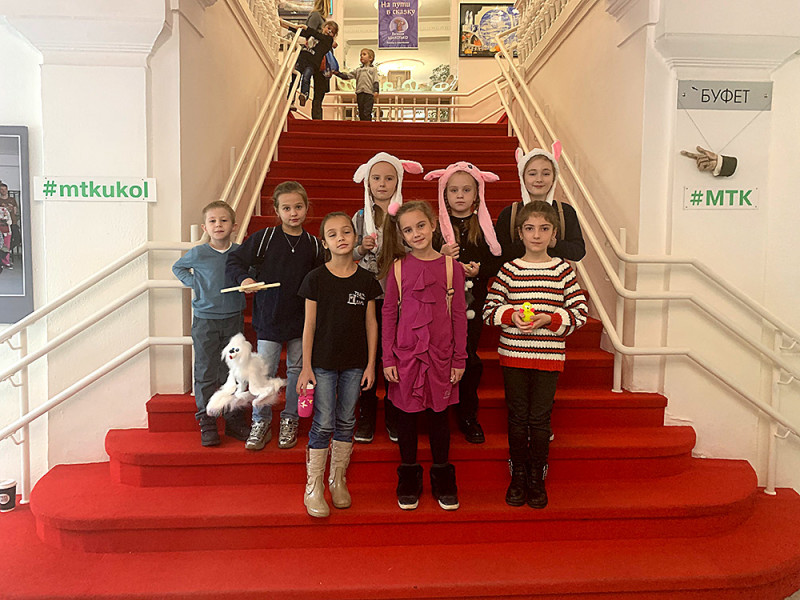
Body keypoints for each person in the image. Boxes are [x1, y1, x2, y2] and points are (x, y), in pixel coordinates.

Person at [483, 200, 588, 509]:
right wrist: (511, 315)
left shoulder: (563, 270)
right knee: (517, 417)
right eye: (530, 229)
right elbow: (489, 310)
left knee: (540, 419)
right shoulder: (509, 269)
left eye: (544, 229)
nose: (537, 235)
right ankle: (518, 475)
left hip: (548, 357)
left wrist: (550, 319)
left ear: (554, 234)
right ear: (520, 233)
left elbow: (580, 312)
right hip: (513, 355)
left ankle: (536, 476)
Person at [381, 201, 467, 511]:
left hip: (441, 356)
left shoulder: (452, 268)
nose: (415, 233)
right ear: (402, 235)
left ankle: (442, 475)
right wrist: (388, 358)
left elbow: (459, 315)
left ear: (432, 224)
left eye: (420, 225)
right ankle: (408, 475)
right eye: (408, 230)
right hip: (406, 357)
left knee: (439, 417)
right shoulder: (398, 268)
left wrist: (459, 358)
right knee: (406, 417)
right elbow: (389, 313)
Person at [226, 181, 324, 451]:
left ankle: (290, 419)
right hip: (269, 319)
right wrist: (244, 278)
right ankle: (261, 420)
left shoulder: (314, 245)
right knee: (264, 372)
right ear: (277, 211)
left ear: (307, 208)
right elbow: (234, 261)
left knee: (296, 372)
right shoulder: (264, 238)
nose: (293, 213)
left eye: (298, 207)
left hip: (301, 321)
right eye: (287, 208)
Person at [296, 212, 381, 518]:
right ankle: (314, 485)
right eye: (332, 234)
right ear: (324, 242)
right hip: (321, 364)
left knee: (346, 420)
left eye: (346, 232)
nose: (341, 238)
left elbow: (372, 324)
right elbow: (309, 326)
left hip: (355, 364)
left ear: (355, 237)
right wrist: (306, 367)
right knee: (323, 422)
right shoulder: (315, 279)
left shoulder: (366, 280)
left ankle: (338, 479)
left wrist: (371, 365)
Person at [426, 161, 502, 444]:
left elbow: (497, 261)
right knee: (439, 356)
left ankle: (468, 414)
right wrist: (441, 255)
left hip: (472, 304)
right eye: (454, 190)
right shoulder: (436, 228)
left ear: (477, 194)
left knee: (468, 356)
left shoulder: (484, 226)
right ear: (444, 194)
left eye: (466, 190)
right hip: (439, 305)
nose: (460, 195)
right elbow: (421, 260)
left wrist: (479, 270)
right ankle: (438, 409)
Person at [351, 152, 423, 444]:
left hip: (401, 299)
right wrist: (361, 248)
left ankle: (395, 416)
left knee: (396, 358)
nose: (382, 184)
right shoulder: (359, 217)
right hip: (368, 299)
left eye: (389, 178)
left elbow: (419, 249)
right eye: (376, 178)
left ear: (398, 181)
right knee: (368, 357)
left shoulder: (406, 216)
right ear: (367, 182)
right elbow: (348, 253)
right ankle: (366, 416)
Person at [172, 201, 248, 446]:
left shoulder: (240, 252)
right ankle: (207, 421)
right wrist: (196, 284)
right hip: (205, 320)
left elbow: (250, 273)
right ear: (205, 227)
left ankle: (233, 420)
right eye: (213, 221)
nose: (218, 225)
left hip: (233, 318)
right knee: (205, 371)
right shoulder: (198, 253)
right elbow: (178, 267)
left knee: (233, 370)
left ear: (234, 226)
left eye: (224, 220)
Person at [495, 141, 586, 265]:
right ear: (522, 177)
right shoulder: (509, 214)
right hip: (518, 276)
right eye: (532, 174)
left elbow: (578, 252)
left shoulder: (566, 212)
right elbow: (499, 254)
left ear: (554, 177)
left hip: (555, 275)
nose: (539, 179)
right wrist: (529, 241)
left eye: (546, 174)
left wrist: (554, 243)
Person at [280, 17, 339, 119]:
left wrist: (307, 28)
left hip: (314, 65)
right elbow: (302, 32)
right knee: (295, 78)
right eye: (328, 28)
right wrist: (286, 25)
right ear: (323, 27)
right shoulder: (315, 35)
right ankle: (291, 99)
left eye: (332, 31)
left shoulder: (327, 40)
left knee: (306, 79)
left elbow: (316, 35)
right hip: (304, 59)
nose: (329, 31)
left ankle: (304, 95)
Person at [334, 48, 379, 121]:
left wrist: (376, 90)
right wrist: (338, 74)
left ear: (370, 58)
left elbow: (375, 80)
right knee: (361, 111)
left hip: (369, 93)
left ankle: (368, 125)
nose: (361, 56)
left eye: (364, 54)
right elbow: (348, 76)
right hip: (360, 92)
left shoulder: (373, 70)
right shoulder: (358, 70)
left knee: (367, 111)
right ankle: (362, 125)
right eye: (360, 55)